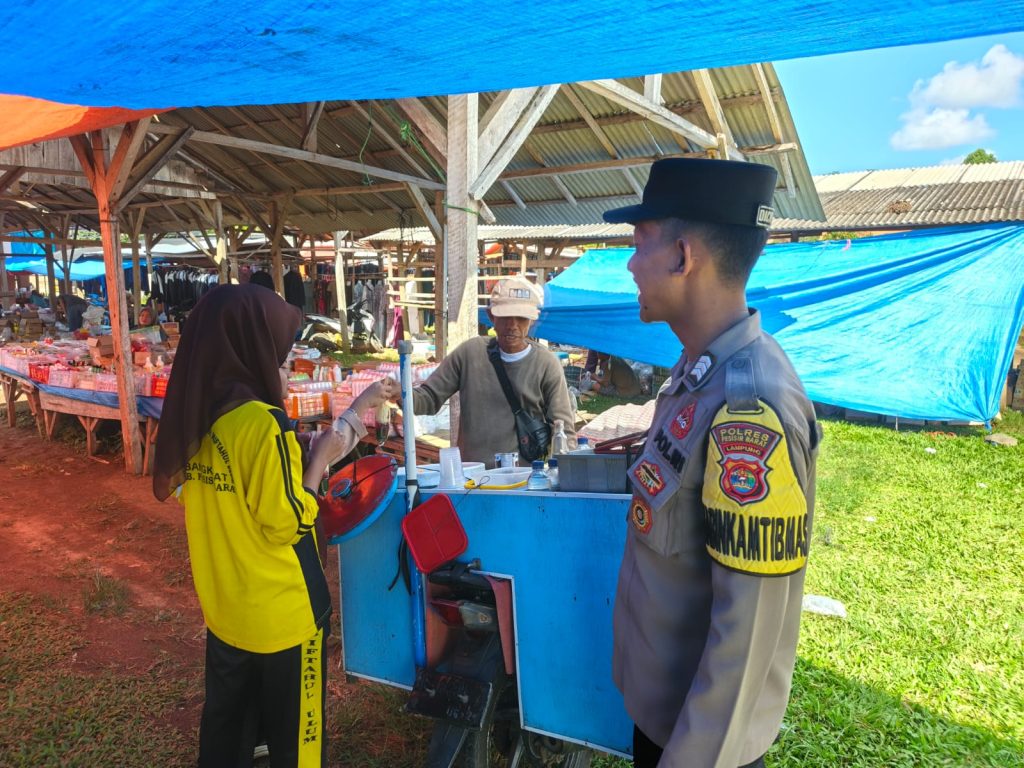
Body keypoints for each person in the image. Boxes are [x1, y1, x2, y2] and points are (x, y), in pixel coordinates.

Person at [602, 159, 821, 768]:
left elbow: (746, 636)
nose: (629, 264)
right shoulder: (699, 371)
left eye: (639, 242)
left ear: (682, 256)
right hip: (663, 713)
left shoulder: (751, 405)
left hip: (697, 743)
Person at [151, 283, 396, 768]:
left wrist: (358, 407)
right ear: (252, 355)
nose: (285, 371)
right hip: (285, 617)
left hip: (227, 610)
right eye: (281, 360)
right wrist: (318, 463)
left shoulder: (197, 422)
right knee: (296, 741)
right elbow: (287, 523)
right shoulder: (265, 426)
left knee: (228, 730)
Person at [411, 276, 576, 465]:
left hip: (524, 477)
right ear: (491, 316)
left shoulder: (546, 364)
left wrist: (568, 471)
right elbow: (428, 399)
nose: (512, 325)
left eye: (521, 318)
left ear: (532, 319)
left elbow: (563, 429)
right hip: (472, 475)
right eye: (505, 317)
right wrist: (401, 393)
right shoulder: (469, 353)